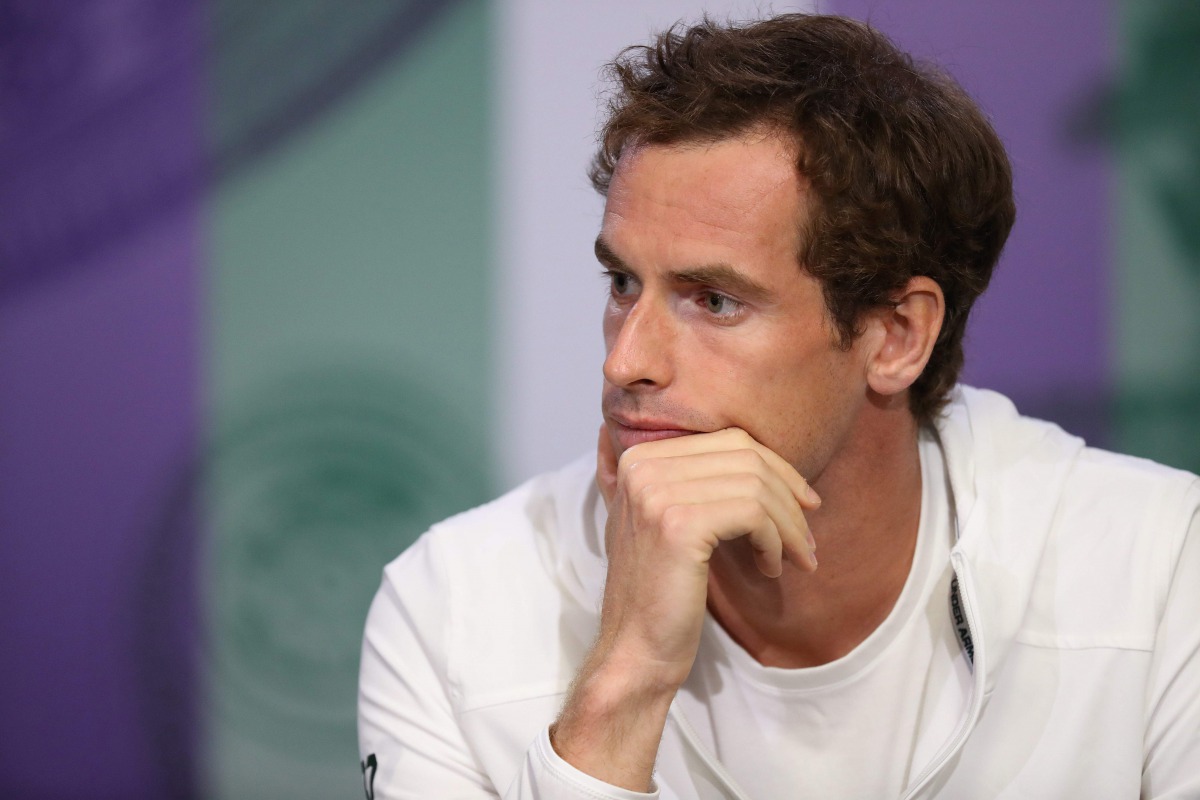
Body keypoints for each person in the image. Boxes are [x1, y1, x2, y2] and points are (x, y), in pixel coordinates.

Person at [357, 14, 1200, 799]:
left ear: (896, 336)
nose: (625, 359)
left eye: (714, 301)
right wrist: (626, 678)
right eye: (622, 283)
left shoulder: (1160, 574)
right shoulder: (450, 610)